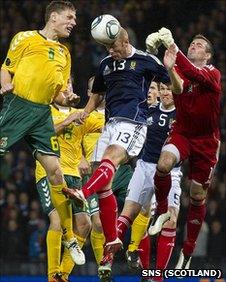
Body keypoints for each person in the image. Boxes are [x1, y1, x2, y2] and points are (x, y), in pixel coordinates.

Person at [63, 27, 171, 280]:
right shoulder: (105, 64)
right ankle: (112, 242)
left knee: (111, 158)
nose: (110, 51)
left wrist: (173, 64)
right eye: (107, 47)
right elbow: (97, 93)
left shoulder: (146, 60)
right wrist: (86, 111)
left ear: (124, 40)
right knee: (105, 186)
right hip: (109, 125)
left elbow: (171, 81)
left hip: (133, 122)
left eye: (113, 45)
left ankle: (83, 191)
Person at [0, 0, 84, 270]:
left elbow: (60, 91)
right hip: (18, 105)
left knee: (56, 172)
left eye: (74, 18)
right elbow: (6, 67)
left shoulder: (65, 53)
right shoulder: (24, 38)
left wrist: (67, 98)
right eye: (69, 17)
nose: (73, 22)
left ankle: (69, 237)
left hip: (42, 115)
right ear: (54, 17)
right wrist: (5, 85)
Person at [146, 28, 221, 269]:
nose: (194, 46)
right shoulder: (181, 70)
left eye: (199, 45)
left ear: (207, 55)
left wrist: (174, 47)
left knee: (197, 195)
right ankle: (163, 211)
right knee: (163, 164)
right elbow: (177, 89)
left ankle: (187, 251)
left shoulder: (212, 73)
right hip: (182, 133)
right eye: (192, 44)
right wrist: (169, 66)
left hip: (206, 142)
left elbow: (192, 73)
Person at [117, 83, 182, 282]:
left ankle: (159, 277)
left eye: (169, 88)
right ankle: (146, 274)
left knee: (170, 219)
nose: (165, 92)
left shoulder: (183, 114)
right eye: (162, 88)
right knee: (135, 215)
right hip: (145, 168)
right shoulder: (148, 110)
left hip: (172, 172)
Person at [35, 92, 103, 281]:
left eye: (70, 85)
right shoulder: (43, 110)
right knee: (57, 221)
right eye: (63, 86)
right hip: (49, 173)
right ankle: (51, 275)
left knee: (84, 224)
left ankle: (62, 276)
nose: (67, 89)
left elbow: (104, 124)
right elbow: (41, 135)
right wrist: (67, 121)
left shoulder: (81, 114)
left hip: (74, 176)